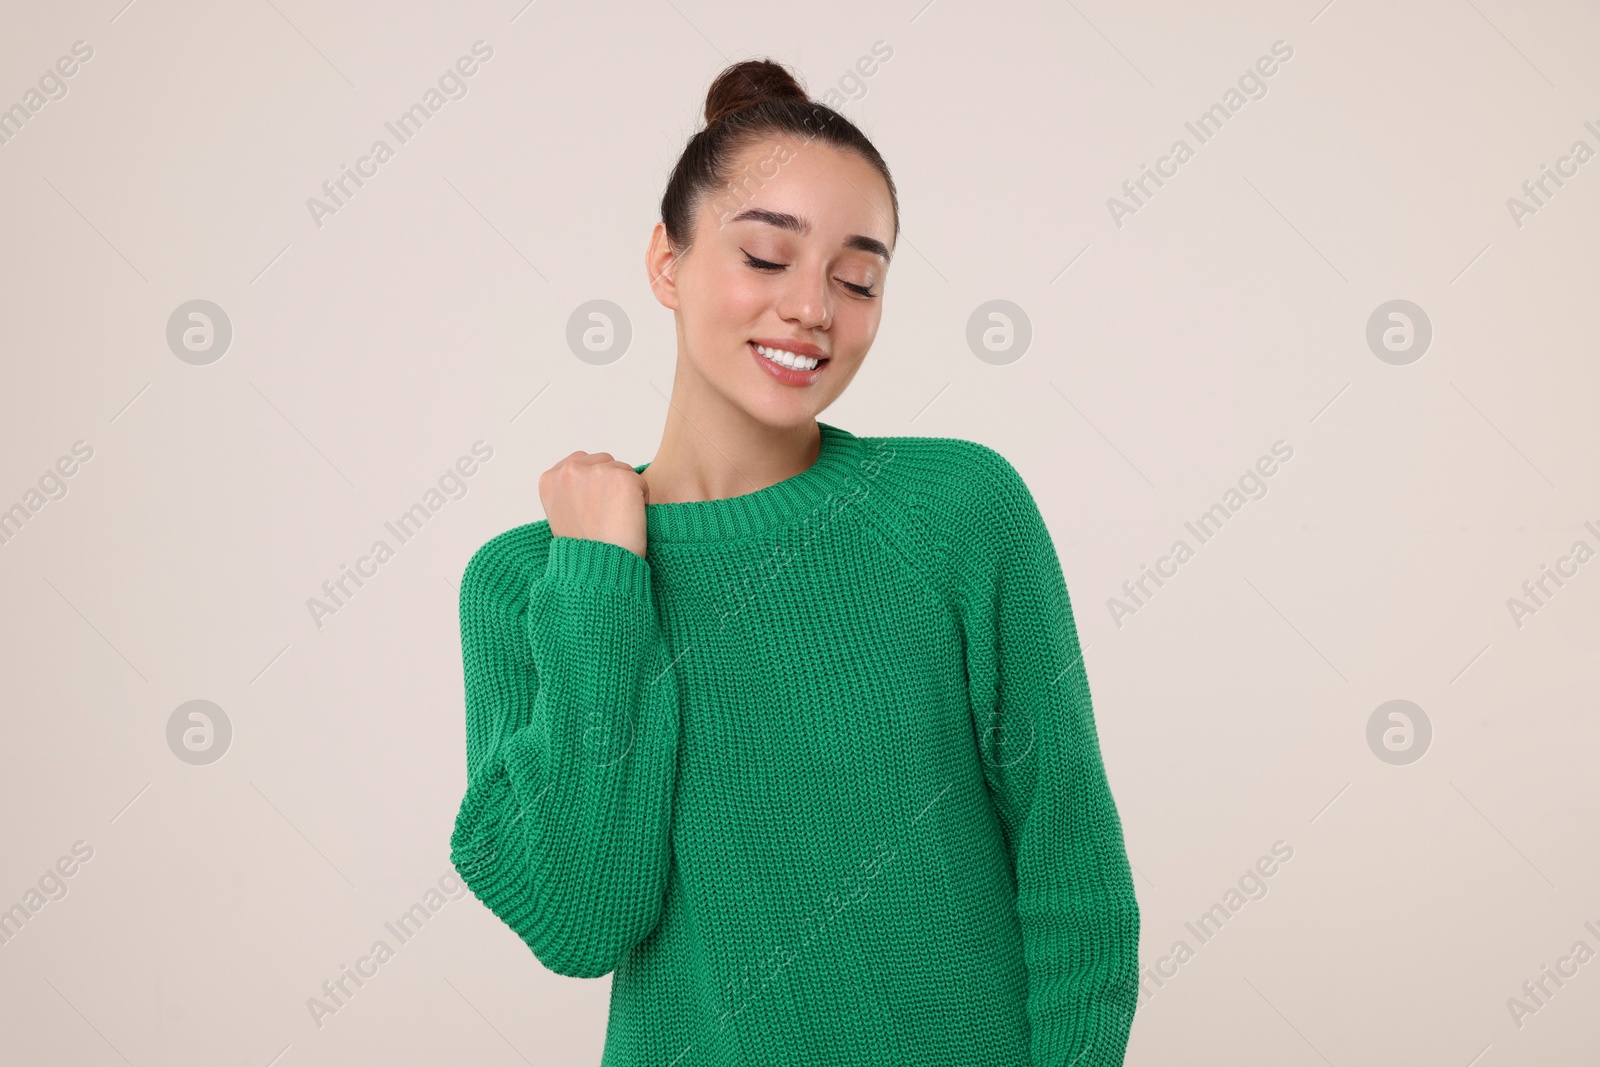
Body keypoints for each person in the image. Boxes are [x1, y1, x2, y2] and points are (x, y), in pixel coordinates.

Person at [448, 57, 1140, 1066]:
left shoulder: (954, 510)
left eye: (857, 277)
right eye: (767, 258)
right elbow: (578, 916)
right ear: (666, 263)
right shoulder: (530, 581)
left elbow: (1071, 863)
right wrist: (599, 584)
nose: (813, 306)